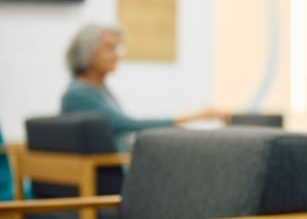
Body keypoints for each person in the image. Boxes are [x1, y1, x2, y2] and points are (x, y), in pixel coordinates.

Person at [61, 23, 224, 152]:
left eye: (117, 49)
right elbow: (127, 124)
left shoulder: (98, 88)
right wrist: (196, 116)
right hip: (109, 173)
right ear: (86, 52)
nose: (116, 55)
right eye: (109, 48)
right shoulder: (79, 93)